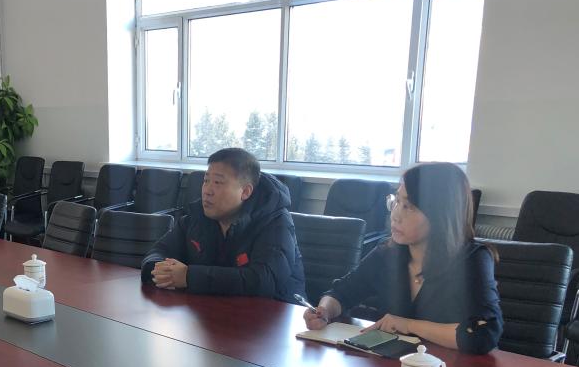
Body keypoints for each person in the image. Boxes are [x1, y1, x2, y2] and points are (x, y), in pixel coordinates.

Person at [303, 162, 503, 353]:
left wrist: (408, 325)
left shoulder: (473, 260)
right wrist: (324, 311)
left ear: (440, 214)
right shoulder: (388, 253)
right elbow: (341, 292)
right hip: (395, 365)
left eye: (409, 206)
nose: (396, 215)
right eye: (397, 201)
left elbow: (483, 333)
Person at [141, 148, 305, 299]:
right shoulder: (197, 216)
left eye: (218, 183)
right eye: (206, 181)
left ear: (245, 192)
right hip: (215, 310)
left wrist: (189, 276)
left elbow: (263, 280)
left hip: (277, 312)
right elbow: (158, 251)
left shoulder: (275, 221)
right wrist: (159, 270)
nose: (207, 191)